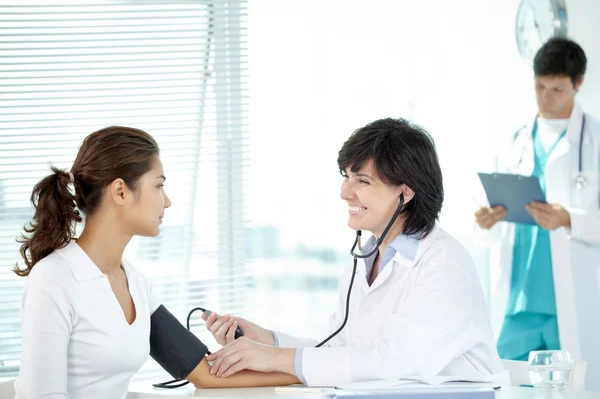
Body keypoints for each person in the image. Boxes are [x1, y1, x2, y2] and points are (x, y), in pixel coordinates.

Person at [202, 118, 505, 387]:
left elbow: (394, 362)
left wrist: (274, 358)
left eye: (362, 180)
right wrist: (266, 340)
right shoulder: (366, 257)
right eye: (346, 176)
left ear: (406, 192)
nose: (345, 192)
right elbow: (342, 352)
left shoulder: (445, 263)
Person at [13, 126, 299, 399]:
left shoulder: (135, 282)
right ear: (120, 192)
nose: (168, 201)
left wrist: (309, 370)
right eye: (159, 186)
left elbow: (206, 374)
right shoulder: (54, 279)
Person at [474, 37, 600, 367]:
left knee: (575, 387)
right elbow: (486, 218)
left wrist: (570, 218)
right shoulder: (513, 142)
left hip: (572, 302)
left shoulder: (596, 141)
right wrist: (486, 220)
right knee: (504, 383)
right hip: (520, 301)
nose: (546, 97)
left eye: (557, 89)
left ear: (579, 83)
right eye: (540, 86)